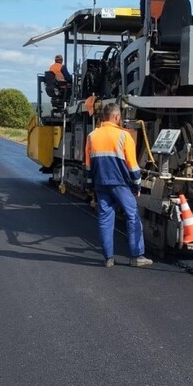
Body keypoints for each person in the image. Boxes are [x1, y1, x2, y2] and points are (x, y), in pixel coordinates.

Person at [84, 103, 152, 268]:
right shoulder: (124, 136)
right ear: (116, 117)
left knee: (105, 219)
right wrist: (137, 186)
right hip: (120, 183)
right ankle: (136, 256)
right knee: (132, 215)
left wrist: (90, 186)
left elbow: (87, 165)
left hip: (100, 183)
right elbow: (133, 165)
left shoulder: (92, 136)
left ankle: (108, 258)